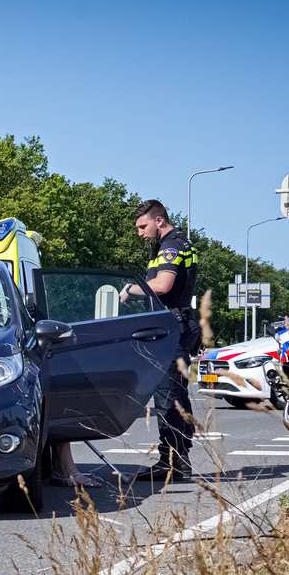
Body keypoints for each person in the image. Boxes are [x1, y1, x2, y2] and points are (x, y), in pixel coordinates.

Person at [120, 199, 200, 482]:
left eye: (143, 226)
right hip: (173, 328)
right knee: (172, 396)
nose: (140, 232)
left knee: (169, 398)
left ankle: (174, 463)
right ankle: (175, 459)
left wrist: (130, 290)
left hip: (172, 330)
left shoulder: (172, 245)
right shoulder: (171, 245)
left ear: (159, 220)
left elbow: (163, 285)